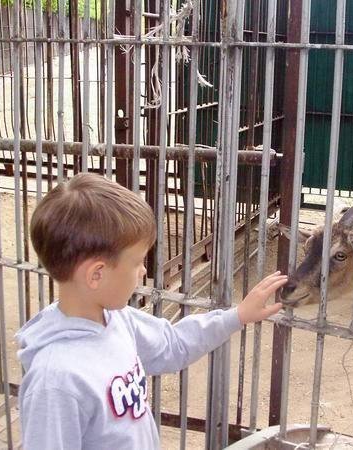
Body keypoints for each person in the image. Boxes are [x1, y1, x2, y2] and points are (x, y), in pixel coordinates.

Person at [16, 173, 287, 449]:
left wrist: (237, 315)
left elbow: (172, 345)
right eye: (137, 262)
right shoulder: (55, 381)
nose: (144, 271)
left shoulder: (116, 319)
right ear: (96, 274)